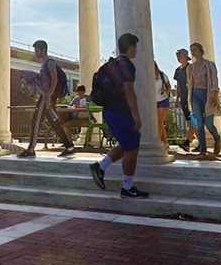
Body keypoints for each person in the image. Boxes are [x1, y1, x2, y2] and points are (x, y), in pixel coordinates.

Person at [88, 33, 149, 198]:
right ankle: (127, 188)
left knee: (126, 142)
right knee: (132, 146)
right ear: (130, 48)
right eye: (135, 47)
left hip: (108, 111)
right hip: (119, 111)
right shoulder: (126, 65)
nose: (136, 50)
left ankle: (100, 167)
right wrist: (136, 116)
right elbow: (129, 90)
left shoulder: (112, 64)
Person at [17, 40, 75, 158]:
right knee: (54, 122)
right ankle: (69, 146)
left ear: (43, 50)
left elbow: (55, 80)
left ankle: (31, 149)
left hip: (46, 97)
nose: (35, 53)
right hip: (47, 97)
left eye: (37, 50)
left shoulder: (49, 63)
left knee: (35, 120)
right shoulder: (44, 64)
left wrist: (48, 96)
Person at [186, 42, 221, 160]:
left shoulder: (209, 65)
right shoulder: (190, 67)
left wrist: (215, 94)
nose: (193, 52)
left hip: (208, 95)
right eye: (191, 50)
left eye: (195, 49)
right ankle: (203, 150)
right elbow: (189, 83)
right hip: (195, 95)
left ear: (201, 51)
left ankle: (217, 139)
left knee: (209, 124)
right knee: (199, 124)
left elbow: (214, 80)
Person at [173, 49, 197, 153]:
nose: (178, 58)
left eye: (180, 55)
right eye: (177, 56)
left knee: (192, 122)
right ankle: (200, 143)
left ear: (186, 56)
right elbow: (178, 86)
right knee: (191, 122)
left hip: (192, 99)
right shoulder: (178, 70)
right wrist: (177, 99)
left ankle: (187, 142)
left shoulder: (191, 67)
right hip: (183, 99)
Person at [154, 60, 172, 150]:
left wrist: (166, 93)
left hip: (163, 101)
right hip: (152, 102)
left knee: (158, 122)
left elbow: (169, 86)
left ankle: (156, 142)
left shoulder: (162, 75)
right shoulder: (147, 76)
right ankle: (166, 144)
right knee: (159, 123)